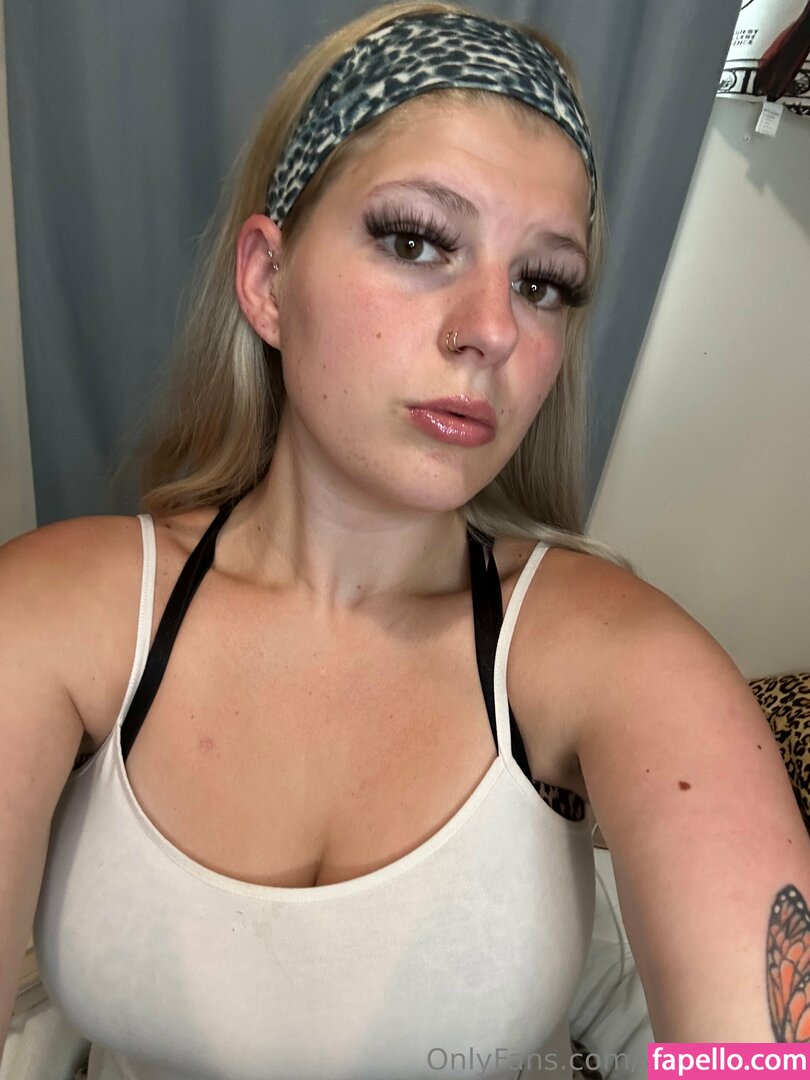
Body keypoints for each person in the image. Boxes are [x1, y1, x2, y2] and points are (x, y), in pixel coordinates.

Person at [1, 1, 808, 1076]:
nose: (493, 329)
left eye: (543, 283)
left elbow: (752, 1050)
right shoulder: (60, 612)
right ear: (268, 280)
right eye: (417, 239)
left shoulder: (619, 655)